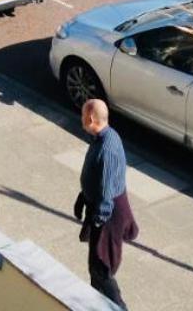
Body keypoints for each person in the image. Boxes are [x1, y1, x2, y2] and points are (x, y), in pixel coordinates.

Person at [75, 98, 137, 307]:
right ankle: (96, 303)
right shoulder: (103, 138)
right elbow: (97, 179)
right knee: (96, 267)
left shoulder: (107, 148)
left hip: (108, 216)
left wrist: (98, 221)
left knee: (101, 267)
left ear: (91, 118)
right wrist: (83, 197)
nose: (81, 118)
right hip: (102, 210)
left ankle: (118, 306)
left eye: (83, 115)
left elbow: (106, 192)